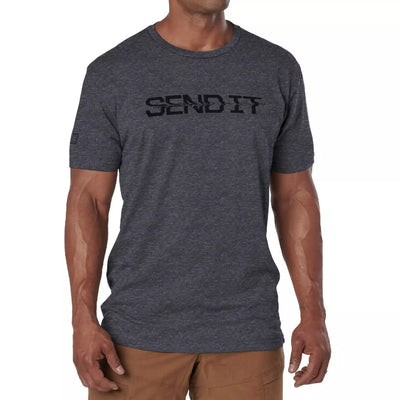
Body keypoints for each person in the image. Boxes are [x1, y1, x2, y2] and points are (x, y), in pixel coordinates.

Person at [64, 1, 331, 399]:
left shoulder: (275, 68)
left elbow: (295, 195)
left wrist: (313, 314)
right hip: (136, 331)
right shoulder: (114, 72)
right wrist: (82, 321)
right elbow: (89, 201)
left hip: (246, 329)